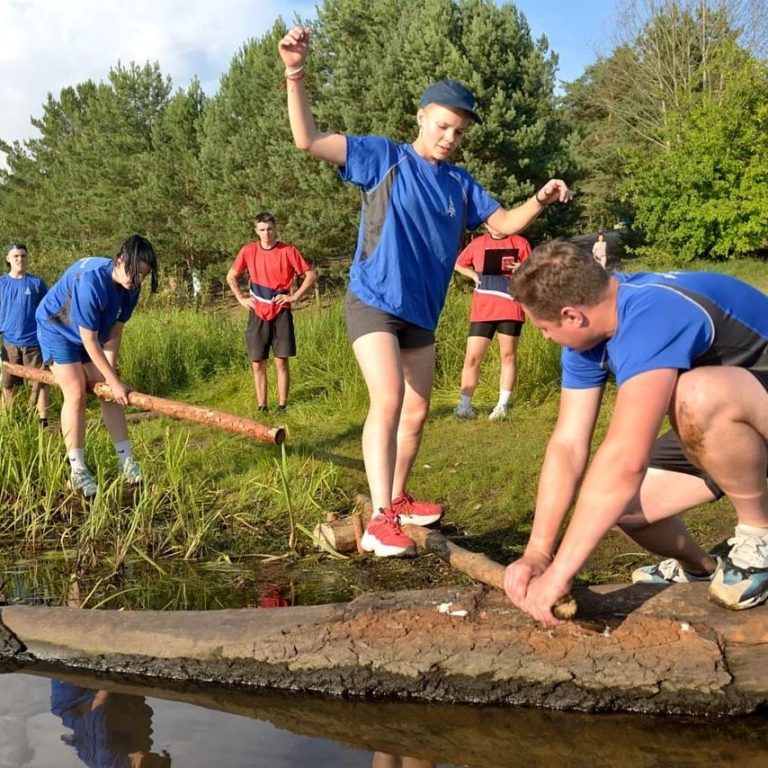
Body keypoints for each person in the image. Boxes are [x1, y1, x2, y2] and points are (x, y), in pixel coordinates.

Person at [278, 26, 571, 557]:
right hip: (373, 300)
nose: (450, 138)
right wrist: (295, 71)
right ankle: (378, 519)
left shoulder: (459, 183)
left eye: (458, 132)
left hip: (422, 314)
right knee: (387, 400)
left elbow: (502, 223)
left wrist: (540, 199)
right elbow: (307, 139)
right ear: (421, 117)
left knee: (416, 411)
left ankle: (396, 497)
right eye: (443, 126)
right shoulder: (381, 157)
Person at [502, 241, 768, 624]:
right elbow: (567, 444)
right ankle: (701, 569)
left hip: (730, 405)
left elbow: (626, 460)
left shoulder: (652, 315)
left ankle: (758, 537)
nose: (544, 336)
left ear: (572, 316)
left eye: (544, 327)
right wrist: (539, 552)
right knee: (626, 509)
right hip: (736, 417)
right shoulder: (589, 339)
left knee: (696, 394)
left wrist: (560, 574)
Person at [35, 235, 159, 498]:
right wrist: (114, 382)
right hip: (57, 329)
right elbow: (89, 341)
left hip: (89, 333)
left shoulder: (131, 288)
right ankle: (77, 471)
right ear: (119, 260)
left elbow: (114, 332)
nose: (138, 280)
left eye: (144, 276)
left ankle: (127, 462)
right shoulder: (91, 281)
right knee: (76, 392)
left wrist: (110, 378)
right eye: (135, 272)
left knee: (110, 394)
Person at [226, 212, 317, 414]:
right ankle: (262, 406)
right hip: (257, 311)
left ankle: (282, 405)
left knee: (281, 361)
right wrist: (241, 298)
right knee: (258, 363)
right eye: (262, 230)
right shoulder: (248, 251)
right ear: (256, 231)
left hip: (281, 312)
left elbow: (310, 275)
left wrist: (294, 297)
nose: (266, 233)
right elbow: (231, 276)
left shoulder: (288, 251)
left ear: (275, 229)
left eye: (269, 229)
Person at [453, 224, 531, 420]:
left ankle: (502, 406)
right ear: (487, 224)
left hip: (511, 306)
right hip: (483, 309)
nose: (496, 227)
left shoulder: (520, 242)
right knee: (472, 358)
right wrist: (473, 276)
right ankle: (464, 406)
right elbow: (458, 263)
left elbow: (534, 271)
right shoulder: (478, 243)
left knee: (508, 356)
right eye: (490, 222)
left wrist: (522, 269)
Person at [51, 680, 172, 768]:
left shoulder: (105, 753)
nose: (154, 754)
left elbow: (99, 703)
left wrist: (114, 679)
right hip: (92, 709)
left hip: (71, 702)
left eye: (155, 758)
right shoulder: (134, 753)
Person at [0, 242, 49, 425]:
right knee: (8, 384)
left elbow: (47, 311)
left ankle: (42, 421)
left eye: (23, 255)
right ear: (8, 259)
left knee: (40, 383)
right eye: (16, 256)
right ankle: (9, 420)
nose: (20, 259)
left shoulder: (36, 283)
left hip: (33, 343)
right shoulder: (2, 283)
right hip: (9, 342)